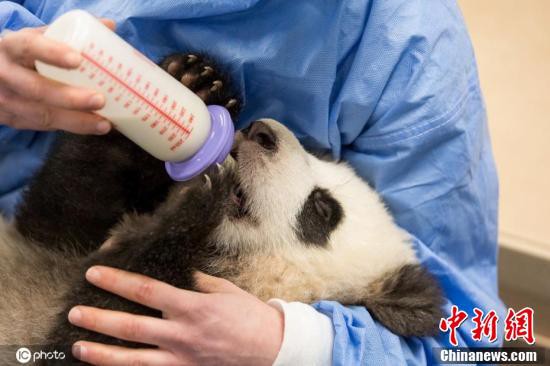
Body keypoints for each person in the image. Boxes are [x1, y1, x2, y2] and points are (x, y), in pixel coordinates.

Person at [0, 1, 506, 365]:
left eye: (320, 209)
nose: (273, 137)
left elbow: (469, 339)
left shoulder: (406, 40)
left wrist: (296, 344)